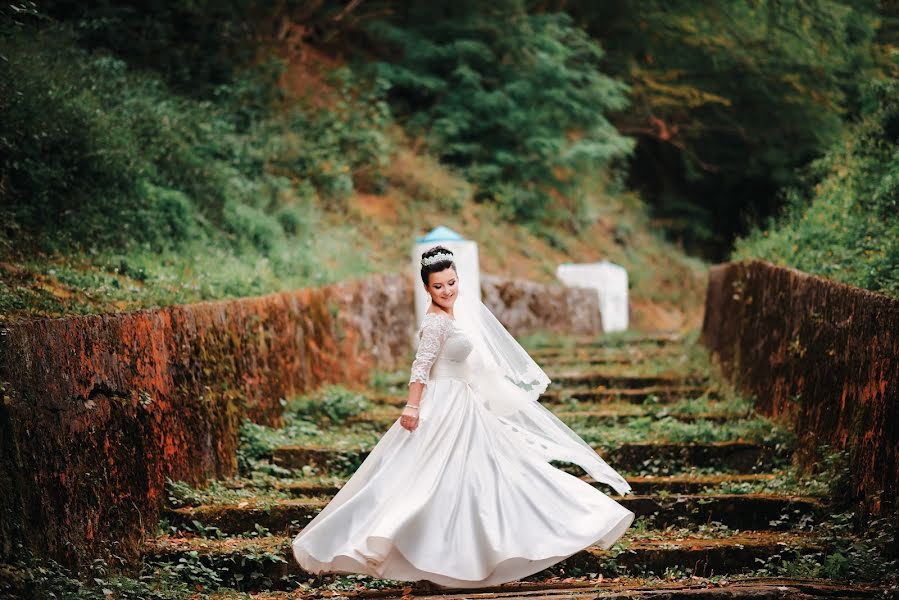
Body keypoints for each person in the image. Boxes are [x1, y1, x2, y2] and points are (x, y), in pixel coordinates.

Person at [292, 245, 635, 589]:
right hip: (442, 406)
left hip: (464, 404)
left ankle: (478, 551)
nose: (447, 291)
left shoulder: (454, 316)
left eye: (451, 282)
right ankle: (414, 546)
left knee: (484, 474)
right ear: (426, 288)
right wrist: (412, 407)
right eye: (438, 286)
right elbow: (421, 368)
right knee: (427, 478)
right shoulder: (436, 322)